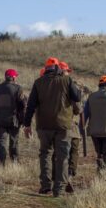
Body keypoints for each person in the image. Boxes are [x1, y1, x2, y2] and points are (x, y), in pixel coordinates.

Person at [24, 57, 81, 197]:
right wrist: (68, 79)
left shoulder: (38, 82)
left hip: (43, 126)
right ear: (58, 68)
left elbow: (30, 105)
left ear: (46, 68)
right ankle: (59, 189)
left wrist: (26, 124)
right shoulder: (66, 80)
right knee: (62, 157)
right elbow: (77, 97)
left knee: (45, 154)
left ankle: (45, 186)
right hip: (63, 125)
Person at [51, 62, 82, 193]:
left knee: (57, 153)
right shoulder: (70, 85)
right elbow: (77, 109)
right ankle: (68, 176)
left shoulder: (52, 85)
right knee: (72, 153)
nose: (68, 73)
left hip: (55, 126)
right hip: (70, 127)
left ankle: (56, 178)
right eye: (67, 71)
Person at [0, 69, 27, 167]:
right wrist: (23, 120)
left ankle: (1, 165)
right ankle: (15, 164)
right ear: (13, 77)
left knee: (1, 142)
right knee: (14, 142)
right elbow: (24, 106)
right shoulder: (18, 89)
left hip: (0, 121)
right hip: (14, 121)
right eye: (15, 76)